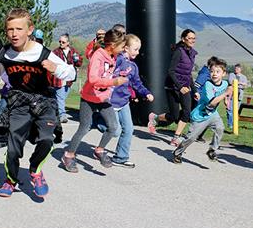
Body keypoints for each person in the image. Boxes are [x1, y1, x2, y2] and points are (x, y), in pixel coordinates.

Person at [0, 8, 76, 198]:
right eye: (10, 29)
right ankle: (11, 179)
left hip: (44, 100)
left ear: (30, 29)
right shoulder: (5, 54)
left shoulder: (43, 53)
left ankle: (35, 170)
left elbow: (71, 73)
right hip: (19, 101)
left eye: (19, 29)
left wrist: (56, 69)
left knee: (47, 139)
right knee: (13, 144)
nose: (14, 34)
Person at [61, 29, 128, 173]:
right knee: (84, 127)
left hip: (103, 98)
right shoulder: (98, 56)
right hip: (89, 97)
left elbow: (109, 73)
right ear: (112, 45)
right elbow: (92, 79)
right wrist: (114, 82)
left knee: (113, 126)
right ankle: (69, 155)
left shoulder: (114, 56)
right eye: (122, 46)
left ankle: (99, 150)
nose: (123, 50)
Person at [173, 58, 231, 163]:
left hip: (213, 114)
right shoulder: (208, 85)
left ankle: (212, 150)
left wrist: (226, 100)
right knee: (191, 138)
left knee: (220, 128)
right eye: (212, 71)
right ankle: (178, 152)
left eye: (217, 72)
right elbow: (212, 102)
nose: (214, 74)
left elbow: (225, 92)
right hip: (200, 115)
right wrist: (226, 94)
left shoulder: (225, 84)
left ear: (224, 73)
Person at [147, 29, 199, 146]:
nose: (192, 40)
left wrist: (194, 90)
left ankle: (176, 137)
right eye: (190, 38)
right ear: (183, 39)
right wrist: (179, 87)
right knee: (174, 116)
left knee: (187, 112)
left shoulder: (192, 53)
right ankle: (155, 118)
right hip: (172, 87)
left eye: (194, 38)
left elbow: (188, 74)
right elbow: (171, 71)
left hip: (185, 87)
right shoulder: (179, 52)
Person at [110, 34, 154, 168]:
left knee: (128, 129)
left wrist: (146, 93)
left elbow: (137, 83)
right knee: (115, 131)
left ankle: (120, 158)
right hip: (111, 101)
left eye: (139, 49)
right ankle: (98, 119)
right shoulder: (117, 60)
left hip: (123, 102)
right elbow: (107, 73)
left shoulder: (133, 67)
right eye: (135, 49)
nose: (138, 52)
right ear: (126, 48)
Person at [51, 33, 83, 123]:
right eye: (60, 41)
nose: (61, 43)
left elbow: (79, 63)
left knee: (62, 98)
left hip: (69, 79)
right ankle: (62, 115)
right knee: (60, 97)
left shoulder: (73, 52)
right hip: (59, 79)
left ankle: (54, 112)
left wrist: (77, 61)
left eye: (63, 42)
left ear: (68, 43)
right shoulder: (56, 52)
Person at [192, 56, 220, 143]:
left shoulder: (211, 74)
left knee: (208, 116)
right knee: (202, 117)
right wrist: (198, 95)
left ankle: (199, 135)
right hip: (200, 99)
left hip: (208, 99)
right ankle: (196, 135)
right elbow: (197, 85)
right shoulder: (205, 74)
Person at [226, 63, 248, 129]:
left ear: (240, 69)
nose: (236, 70)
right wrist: (241, 84)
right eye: (235, 68)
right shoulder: (231, 75)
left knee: (236, 110)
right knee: (230, 110)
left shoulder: (244, 77)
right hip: (231, 95)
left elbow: (246, 85)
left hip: (239, 95)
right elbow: (231, 82)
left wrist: (238, 83)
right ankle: (230, 124)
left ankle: (233, 123)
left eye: (237, 68)